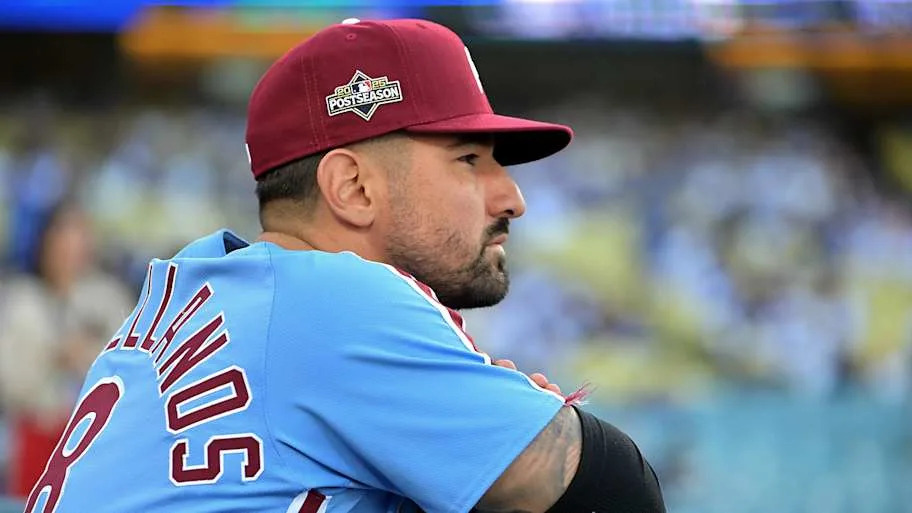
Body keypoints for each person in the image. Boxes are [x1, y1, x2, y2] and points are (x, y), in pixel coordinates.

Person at [24, 19, 664, 513]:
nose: (512, 197)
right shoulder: (332, 299)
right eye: (469, 159)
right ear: (353, 188)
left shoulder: (191, 292)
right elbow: (621, 492)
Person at [0, 200, 132, 500]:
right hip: (36, 434)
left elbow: (128, 365)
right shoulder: (23, 299)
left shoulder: (108, 297)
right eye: (65, 234)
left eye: (81, 233)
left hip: (93, 440)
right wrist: (50, 357)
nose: (74, 245)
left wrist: (85, 358)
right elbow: (9, 379)